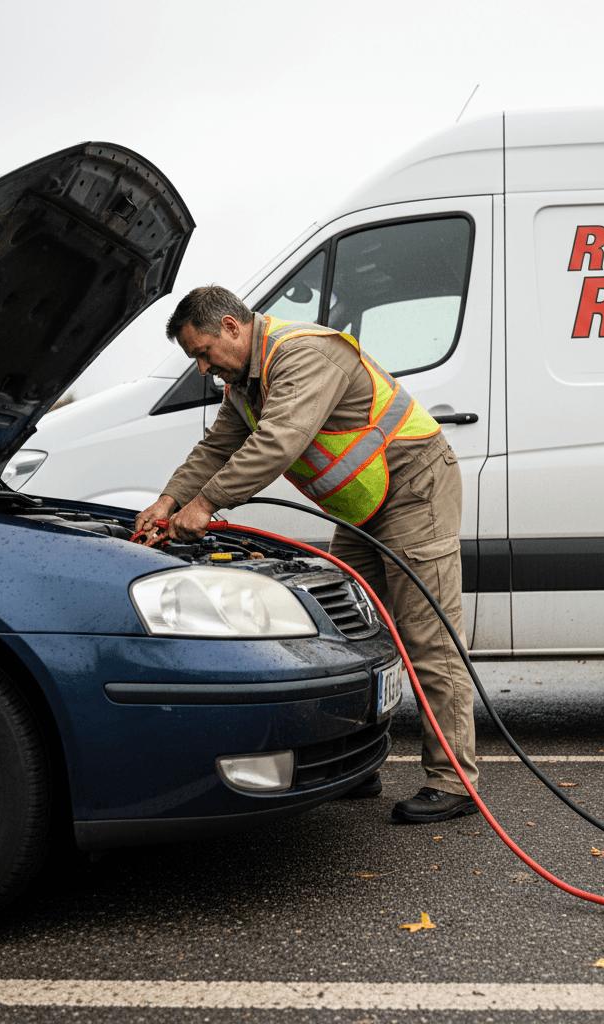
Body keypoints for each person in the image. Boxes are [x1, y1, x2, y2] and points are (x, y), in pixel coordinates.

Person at [135, 285, 478, 823]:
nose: (203, 367)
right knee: (348, 633)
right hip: (366, 504)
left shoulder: (305, 355)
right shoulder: (246, 386)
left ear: (231, 327)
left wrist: (206, 505)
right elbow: (216, 448)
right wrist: (168, 500)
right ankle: (357, 764)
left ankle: (454, 781)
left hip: (415, 488)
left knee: (426, 636)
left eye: (202, 352)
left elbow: (278, 442)